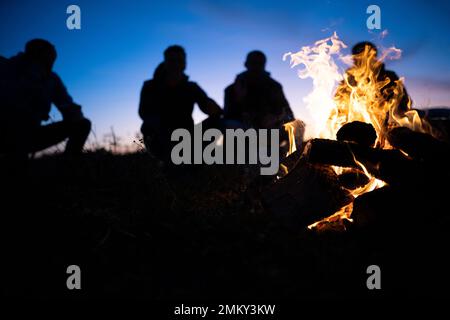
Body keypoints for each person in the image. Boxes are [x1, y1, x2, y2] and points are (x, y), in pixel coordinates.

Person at [0, 39, 91, 159]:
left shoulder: (52, 80)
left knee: (82, 124)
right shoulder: (4, 66)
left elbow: (70, 109)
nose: (51, 61)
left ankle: (70, 170)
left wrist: (72, 112)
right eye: (48, 56)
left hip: (28, 136)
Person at [138, 45, 222, 159]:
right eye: (172, 60)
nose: (176, 64)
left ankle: (197, 156)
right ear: (166, 63)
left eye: (180, 60)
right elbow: (144, 113)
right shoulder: (150, 86)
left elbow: (209, 108)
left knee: (219, 122)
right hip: (159, 137)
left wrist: (214, 108)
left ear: (184, 64)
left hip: (187, 136)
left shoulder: (192, 87)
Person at [224, 50, 294, 129]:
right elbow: (228, 116)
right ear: (246, 64)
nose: (256, 67)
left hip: (271, 129)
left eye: (260, 63)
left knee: (296, 125)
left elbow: (289, 114)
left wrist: (276, 118)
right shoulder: (231, 89)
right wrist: (239, 100)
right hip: (243, 130)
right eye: (253, 63)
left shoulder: (275, 87)